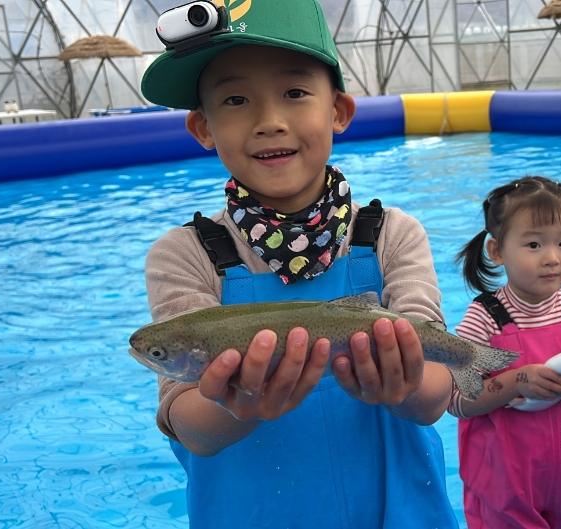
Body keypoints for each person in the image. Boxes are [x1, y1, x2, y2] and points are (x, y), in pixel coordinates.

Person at [136, 0, 458, 527]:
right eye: (235, 99)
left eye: (294, 93)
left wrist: (405, 386)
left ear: (338, 111)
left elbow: (435, 396)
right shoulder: (185, 255)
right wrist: (236, 405)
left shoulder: (391, 236)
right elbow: (187, 420)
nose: (269, 122)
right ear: (203, 127)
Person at [449, 176, 561, 528]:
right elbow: (456, 400)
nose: (552, 258)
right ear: (497, 251)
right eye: (534, 244)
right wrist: (517, 381)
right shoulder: (484, 319)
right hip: (505, 487)